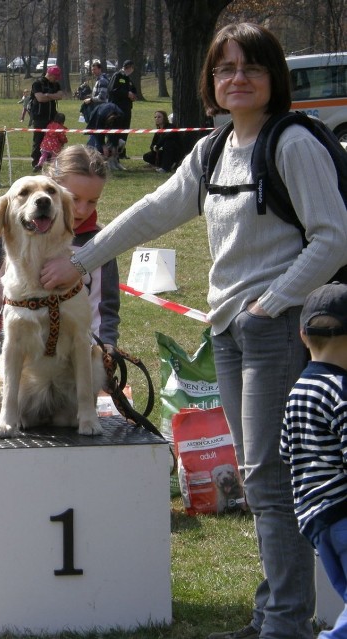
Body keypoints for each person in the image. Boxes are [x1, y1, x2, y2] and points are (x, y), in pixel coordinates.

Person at [42, 23, 347, 639]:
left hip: (273, 326)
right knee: (261, 472)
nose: (237, 78)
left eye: (251, 68)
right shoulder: (215, 148)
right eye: (224, 68)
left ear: (273, 78)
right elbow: (154, 210)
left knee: (268, 474)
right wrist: (80, 258)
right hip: (232, 328)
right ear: (211, 81)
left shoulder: (293, 144)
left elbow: (334, 236)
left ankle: (285, 623)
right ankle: (273, 612)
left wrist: (273, 302)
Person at [0, 144, 121, 381]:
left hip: (73, 364)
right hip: (20, 359)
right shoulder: (10, 236)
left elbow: (105, 307)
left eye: (92, 201)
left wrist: (106, 350)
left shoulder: (99, 244)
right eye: (74, 198)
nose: (81, 209)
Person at [280, 282, 347, 639]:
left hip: (316, 520)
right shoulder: (341, 392)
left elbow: (286, 452)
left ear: (303, 335)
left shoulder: (297, 391)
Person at [28, 65, 64, 170]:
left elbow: (60, 95)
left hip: (52, 117)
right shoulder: (37, 84)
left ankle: (48, 160)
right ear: (51, 75)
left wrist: (47, 95)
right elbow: (40, 98)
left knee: (52, 138)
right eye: (56, 77)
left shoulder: (55, 84)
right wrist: (52, 96)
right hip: (39, 117)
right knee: (38, 140)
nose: (57, 79)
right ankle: (36, 161)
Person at [107, 60, 137, 157]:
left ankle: (120, 153)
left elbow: (133, 90)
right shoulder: (118, 76)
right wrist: (126, 93)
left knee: (124, 133)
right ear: (128, 67)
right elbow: (112, 90)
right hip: (117, 109)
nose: (132, 70)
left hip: (127, 109)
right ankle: (111, 155)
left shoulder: (128, 79)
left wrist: (133, 96)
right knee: (115, 133)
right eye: (131, 68)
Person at [85, 101, 125, 170]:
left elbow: (117, 133)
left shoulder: (120, 116)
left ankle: (115, 162)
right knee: (96, 144)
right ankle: (94, 163)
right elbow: (98, 132)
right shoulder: (101, 115)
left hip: (110, 114)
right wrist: (103, 145)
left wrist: (114, 146)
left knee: (120, 143)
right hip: (97, 116)